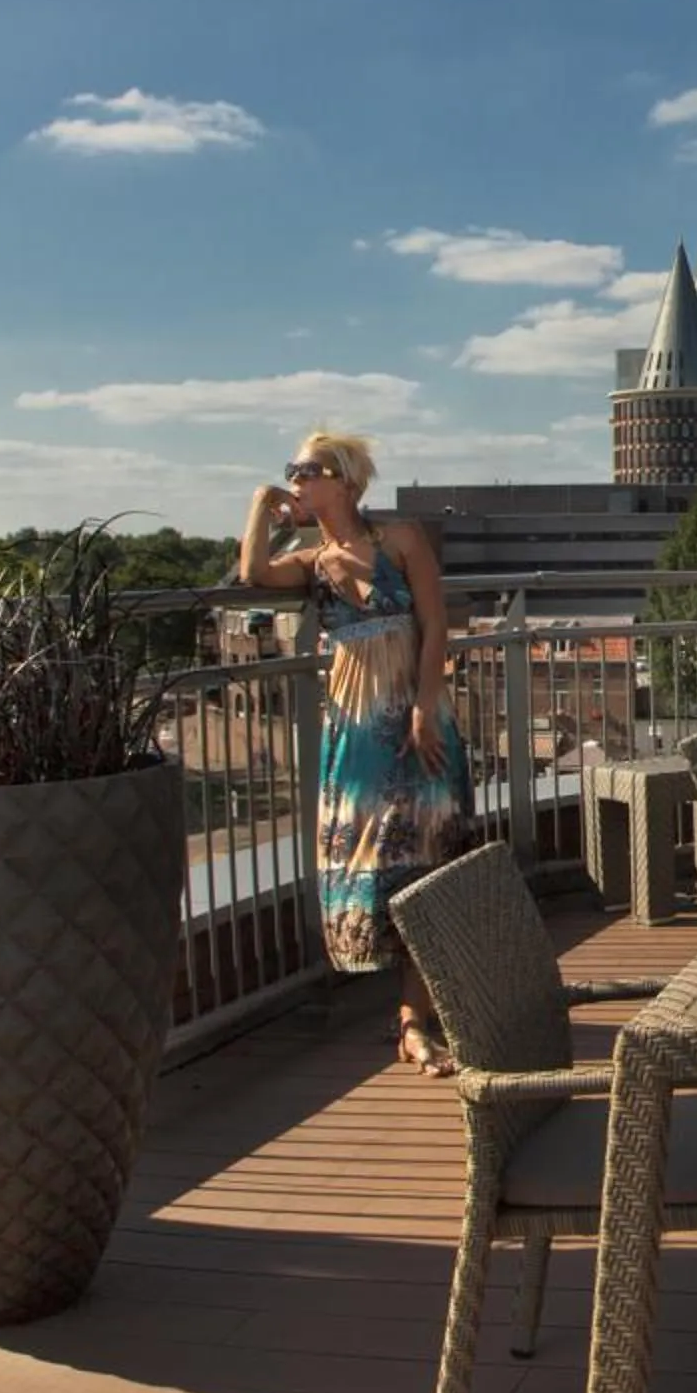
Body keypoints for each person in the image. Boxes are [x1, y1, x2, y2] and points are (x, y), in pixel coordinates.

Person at [237, 431, 474, 1073]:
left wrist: (426, 707)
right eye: (290, 472)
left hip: (419, 721)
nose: (295, 481)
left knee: (430, 858)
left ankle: (417, 1021)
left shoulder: (400, 540)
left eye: (306, 471)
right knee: (375, 867)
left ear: (343, 480)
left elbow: (434, 626)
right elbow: (252, 573)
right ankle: (411, 1023)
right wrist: (262, 505)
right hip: (356, 730)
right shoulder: (313, 562)